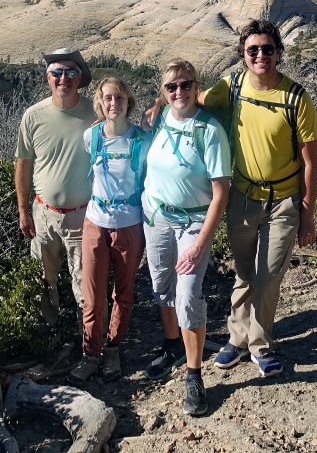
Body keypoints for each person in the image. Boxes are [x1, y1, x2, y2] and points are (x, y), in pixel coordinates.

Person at [202, 20, 317, 378]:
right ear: (243, 55)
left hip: (283, 201)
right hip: (243, 195)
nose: (261, 56)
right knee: (243, 273)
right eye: (253, 50)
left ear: (279, 52)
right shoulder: (233, 85)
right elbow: (194, 99)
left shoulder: (296, 98)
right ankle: (237, 339)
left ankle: (261, 344)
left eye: (267, 49)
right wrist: (161, 102)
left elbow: (311, 160)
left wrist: (307, 213)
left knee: (267, 277)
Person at [141, 58, 231, 417]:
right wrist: (159, 102)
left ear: (197, 87)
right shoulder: (161, 117)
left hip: (193, 223)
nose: (179, 91)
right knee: (162, 287)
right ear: (163, 91)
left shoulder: (209, 131)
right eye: (171, 86)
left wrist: (199, 244)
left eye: (186, 85)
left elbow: (221, 192)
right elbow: (160, 107)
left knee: (188, 294)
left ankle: (194, 375)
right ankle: (171, 346)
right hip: (157, 217)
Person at [68, 77, 149, 382]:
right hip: (95, 222)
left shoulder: (142, 139)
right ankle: (90, 354)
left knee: (124, 292)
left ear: (129, 102)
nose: (113, 104)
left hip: (129, 223)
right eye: (107, 99)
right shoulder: (92, 137)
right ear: (100, 103)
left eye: (119, 98)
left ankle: (113, 349)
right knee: (92, 295)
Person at [15, 48, 97, 341]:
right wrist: (23, 211)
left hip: (83, 215)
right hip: (44, 216)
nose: (64, 78)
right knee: (42, 282)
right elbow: (23, 164)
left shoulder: (95, 112)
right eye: (57, 72)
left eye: (71, 72)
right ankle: (46, 339)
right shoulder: (33, 116)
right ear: (47, 77)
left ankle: (88, 344)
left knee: (85, 285)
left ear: (79, 78)